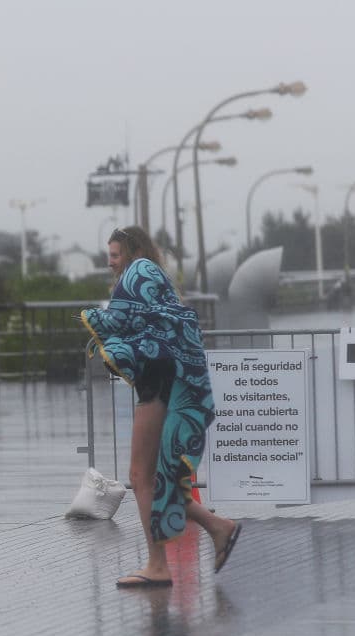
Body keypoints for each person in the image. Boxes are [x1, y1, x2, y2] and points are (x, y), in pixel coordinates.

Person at [79, 225, 241, 589]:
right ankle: (218, 527)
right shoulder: (154, 276)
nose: (111, 264)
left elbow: (120, 319)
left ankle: (158, 564)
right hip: (168, 377)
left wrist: (90, 317)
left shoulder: (140, 272)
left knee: (140, 476)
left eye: (115, 255)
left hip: (160, 380)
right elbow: (144, 323)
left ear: (133, 251)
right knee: (154, 478)